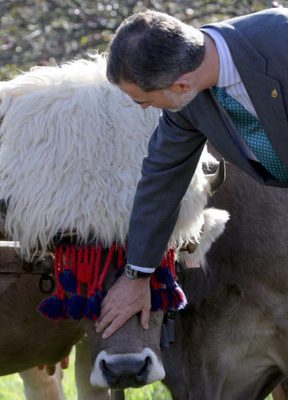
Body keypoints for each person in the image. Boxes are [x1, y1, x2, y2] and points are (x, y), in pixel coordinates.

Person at [95, 7, 288, 339]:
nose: (142, 108)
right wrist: (136, 276)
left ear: (181, 85)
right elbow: (161, 179)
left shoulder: (280, 38)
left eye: (143, 100)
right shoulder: (187, 97)